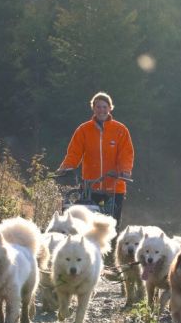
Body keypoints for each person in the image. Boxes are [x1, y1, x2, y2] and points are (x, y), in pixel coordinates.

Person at [57, 91, 134, 236]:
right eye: (98, 107)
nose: (101, 110)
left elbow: (126, 153)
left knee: (112, 225)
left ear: (110, 108)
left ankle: (110, 254)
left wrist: (125, 170)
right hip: (90, 186)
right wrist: (66, 167)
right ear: (93, 108)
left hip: (114, 186)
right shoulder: (84, 130)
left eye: (105, 107)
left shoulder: (120, 130)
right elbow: (74, 152)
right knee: (89, 225)